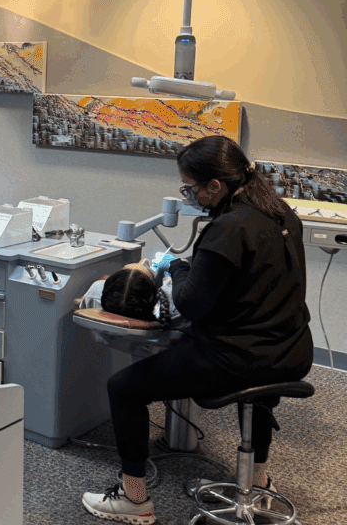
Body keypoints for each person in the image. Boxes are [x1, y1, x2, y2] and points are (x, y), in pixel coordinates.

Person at [81, 135, 313, 525]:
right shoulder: (280, 212)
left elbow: (190, 304)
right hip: (290, 351)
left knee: (123, 389)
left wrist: (176, 266)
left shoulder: (228, 229)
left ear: (216, 186)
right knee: (255, 398)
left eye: (191, 188)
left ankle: (133, 499)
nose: (189, 194)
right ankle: (256, 484)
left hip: (238, 360)